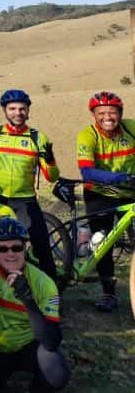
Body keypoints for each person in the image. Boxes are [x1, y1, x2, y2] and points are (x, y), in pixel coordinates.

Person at [0, 218, 69, 393]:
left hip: (27, 345)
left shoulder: (43, 283)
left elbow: (52, 341)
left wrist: (27, 298)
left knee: (56, 373)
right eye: (2, 248)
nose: (10, 254)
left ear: (25, 247)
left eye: (17, 248)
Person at [0, 89, 59, 280]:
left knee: (41, 246)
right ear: (4, 110)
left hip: (25, 201)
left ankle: (52, 291)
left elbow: (52, 177)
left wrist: (50, 161)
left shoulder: (37, 137)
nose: (17, 113)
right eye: (12, 109)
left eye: (22, 109)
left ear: (28, 110)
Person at [75, 91, 135, 311]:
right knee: (102, 243)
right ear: (94, 115)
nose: (107, 116)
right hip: (100, 194)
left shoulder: (130, 128)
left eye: (113, 112)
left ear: (120, 114)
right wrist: (120, 178)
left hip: (130, 194)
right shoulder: (88, 135)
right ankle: (108, 293)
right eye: (101, 113)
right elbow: (87, 172)